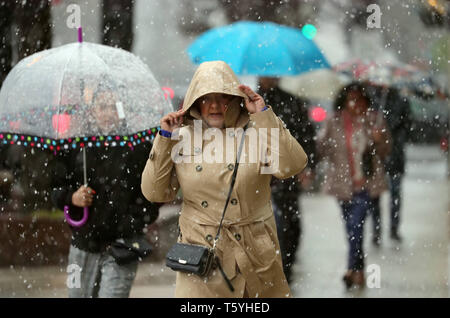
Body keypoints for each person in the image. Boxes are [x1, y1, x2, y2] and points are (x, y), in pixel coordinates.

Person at [141, 60, 308, 297]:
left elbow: (292, 165)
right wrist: (164, 138)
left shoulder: (256, 130)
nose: (215, 106)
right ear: (195, 101)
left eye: (224, 97)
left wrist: (263, 115)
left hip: (254, 252)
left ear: (235, 98)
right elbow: (154, 192)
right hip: (201, 256)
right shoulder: (181, 137)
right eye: (207, 98)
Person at [51, 83, 159, 298]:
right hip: (82, 246)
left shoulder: (138, 148)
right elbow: (55, 189)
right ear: (92, 111)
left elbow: (153, 194)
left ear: (122, 109)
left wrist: (134, 222)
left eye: (114, 106)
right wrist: (72, 197)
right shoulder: (77, 145)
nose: (108, 113)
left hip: (123, 247)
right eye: (102, 107)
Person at [317, 82, 391, 288]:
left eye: (360, 99)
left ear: (366, 101)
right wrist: (323, 139)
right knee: (350, 229)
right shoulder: (335, 122)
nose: (356, 103)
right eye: (351, 99)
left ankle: (351, 269)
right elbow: (322, 150)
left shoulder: (374, 120)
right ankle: (359, 268)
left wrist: (379, 138)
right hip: (342, 185)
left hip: (366, 185)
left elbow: (386, 151)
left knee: (356, 226)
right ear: (343, 102)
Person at [257, 77, 316, 283]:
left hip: (286, 170)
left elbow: (305, 134)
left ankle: (285, 264)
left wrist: (307, 166)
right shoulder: (246, 102)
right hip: (258, 171)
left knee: (289, 221)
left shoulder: (292, 102)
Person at [369, 85, 412, 243]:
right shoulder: (371, 99)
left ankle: (394, 228)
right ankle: (376, 229)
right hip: (376, 157)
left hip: (395, 154)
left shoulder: (400, 100)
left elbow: (407, 126)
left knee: (395, 193)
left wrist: (392, 136)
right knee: (375, 194)